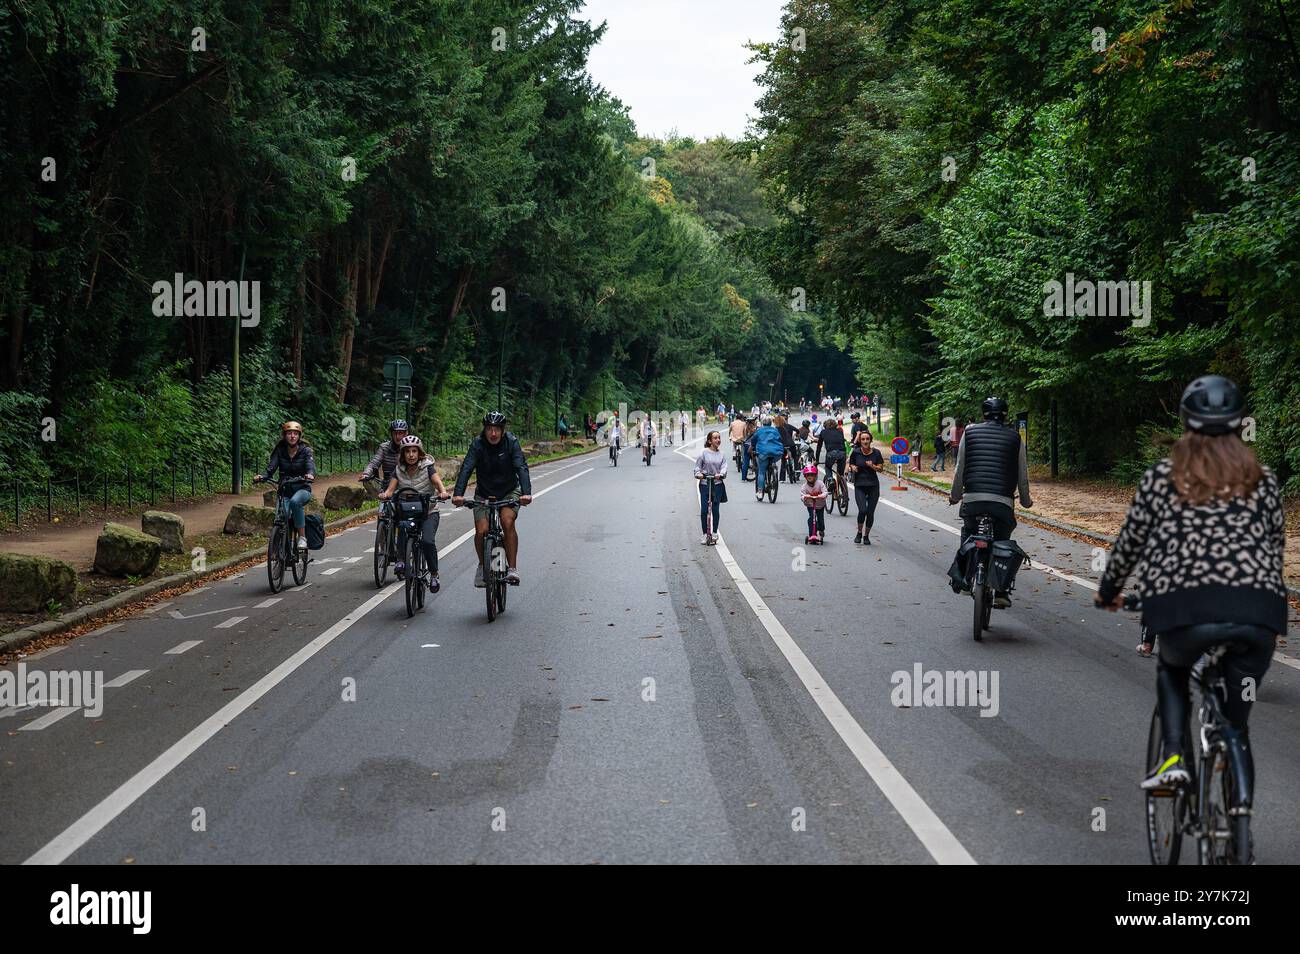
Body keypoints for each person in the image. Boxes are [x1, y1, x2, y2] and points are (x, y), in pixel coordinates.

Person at [1097, 376, 1285, 799]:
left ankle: (1174, 758)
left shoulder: (1163, 476)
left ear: (1186, 423)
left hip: (1184, 611)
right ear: (1239, 425)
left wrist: (1110, 589)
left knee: (1173, 670)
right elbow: (1275, 547)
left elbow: (1130, 544)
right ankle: (1239, 819)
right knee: (1236, 725)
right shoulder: (1264, 478)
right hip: (1258, 615)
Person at [947, 398, 1031, 607]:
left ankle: (965, 579)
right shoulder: (1015, 438)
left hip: (973, 499)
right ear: (1005, 415)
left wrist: (955, 496)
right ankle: (1002, 592)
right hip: (1002, 502)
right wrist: (1026, 501)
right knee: (1002, 539)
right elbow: (1023, 474)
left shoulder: (970, 431)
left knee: (968, 533)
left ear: (984, 414)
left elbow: (960, 469)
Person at [452, 411, 533, 587]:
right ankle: (482, 565)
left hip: (508, 491)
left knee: (507, 521)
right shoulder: (478, 444)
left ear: (503, 430)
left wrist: (526, 492)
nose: (493, 433)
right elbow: (466, 468)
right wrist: (458, 494)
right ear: (485, 430)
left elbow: (521, 467)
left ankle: (512, 569)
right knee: (481, 531)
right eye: (489, 429)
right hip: (484, 493)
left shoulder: (511, 442)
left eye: (497, 429)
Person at [378, 435, 451, 589]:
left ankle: (434, 574)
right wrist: (386, 495)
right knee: (403, 529)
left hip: (428, 512)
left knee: (427, 541)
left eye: (414, 451)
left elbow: (437, 482)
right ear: (403, 454)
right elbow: (391, 489)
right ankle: (401, 560)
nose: (411, 455)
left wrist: (443, 492)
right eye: (407, 452)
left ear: (419, 453)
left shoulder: (427, 466)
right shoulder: (399, 470)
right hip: (408, 512)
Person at [256, 421, 316, 550]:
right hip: (284, 490)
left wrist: (310, 475)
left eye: (295, 433)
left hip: (302, 489)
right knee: (281, 517)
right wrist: (262, 476)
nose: (292, 436)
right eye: (289, 433)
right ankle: (283, 548)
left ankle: (302, 537)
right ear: (284, 435)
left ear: (299, 436)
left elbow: (310, 467)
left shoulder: (306, 451)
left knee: (295, 502)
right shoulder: (280, 450)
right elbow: (271, 468)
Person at [693, 430, 729, 544]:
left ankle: (714, 533)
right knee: (704, 510)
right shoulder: (703, 452)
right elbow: (697, 467)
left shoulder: (722, 454)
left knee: (715, 509)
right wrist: (698, 474)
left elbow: (724, 467)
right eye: (715, 438)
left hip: (717, 484)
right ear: (709, 440)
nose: (718, 440)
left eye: (719, 437)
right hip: (705, 483)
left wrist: (721, 474)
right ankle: (704, 534)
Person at [848, 429, 884, 544]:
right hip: (860, 485)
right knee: (862, 510)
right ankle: (859, 532)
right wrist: (852, 467)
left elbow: (881, 469)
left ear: (870, 440)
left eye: (867, 439)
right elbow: (851, 464)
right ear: (860, 441)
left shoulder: (876, 453)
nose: (865, 441)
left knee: (870, 512)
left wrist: (872, 466)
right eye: (863, 439)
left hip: (873, 485)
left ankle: (866, 536)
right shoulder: (856, 452)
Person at [359, 419, 409, 486]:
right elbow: (374, 462)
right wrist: (366, 474)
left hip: (407, 483)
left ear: (406, 433)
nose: (397, 436)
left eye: (400, 433)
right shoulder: (384, 447)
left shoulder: (412, 448)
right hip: (387, 483)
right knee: (369, 483)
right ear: (391, 434)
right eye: (395, 433)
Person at [815, 416, 848, 498]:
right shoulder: (840, 431)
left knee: (828, 467)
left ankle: (830, 480)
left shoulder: (823, 432)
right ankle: (844, 496)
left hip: (831, 454)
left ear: (825, 426)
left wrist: (817, 460)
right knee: (840, 474)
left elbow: (819, 447)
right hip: (842, 453)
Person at [752, 416, 784, 499]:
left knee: (761, 472)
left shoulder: (759, 430)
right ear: (771, 423)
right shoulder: (775, 430)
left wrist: (753, 447)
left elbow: (753, 440)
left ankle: (760, 491)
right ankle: (772, 469)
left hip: (763, 452)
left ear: (763, 423)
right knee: (772, 460)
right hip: (777, 453)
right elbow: (780, 439)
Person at [800, 464, 828, 542]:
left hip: (820, 505)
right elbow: (802, 495)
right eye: (808, 475)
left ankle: (821, 529)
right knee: (812, 519)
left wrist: (822, 495)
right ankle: (812, 534)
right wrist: (805, 497)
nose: (810, 477)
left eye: (812, 475)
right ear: (805, 476)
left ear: (815, 476)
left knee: (820, 520)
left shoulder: (820, 483)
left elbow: (825, 492)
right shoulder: (804, 486)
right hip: (811, 505)